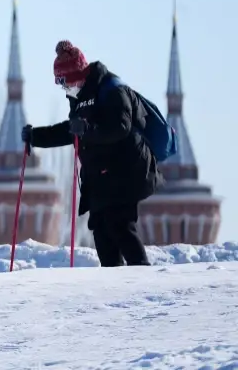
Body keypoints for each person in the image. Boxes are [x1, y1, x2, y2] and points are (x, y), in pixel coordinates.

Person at [22, 40, 161, 267]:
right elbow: (71, 131)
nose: (65, 87)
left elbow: (120, 128)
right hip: (101, 177)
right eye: (61, 83)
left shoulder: (112, 89)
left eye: (65, 81)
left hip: (126, 172)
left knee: (120, 225)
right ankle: (115, 287)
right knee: (102, 233)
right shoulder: (78, 98)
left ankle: (141, 280)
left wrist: (88, 129)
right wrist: (36, 137)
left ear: (78, 73)